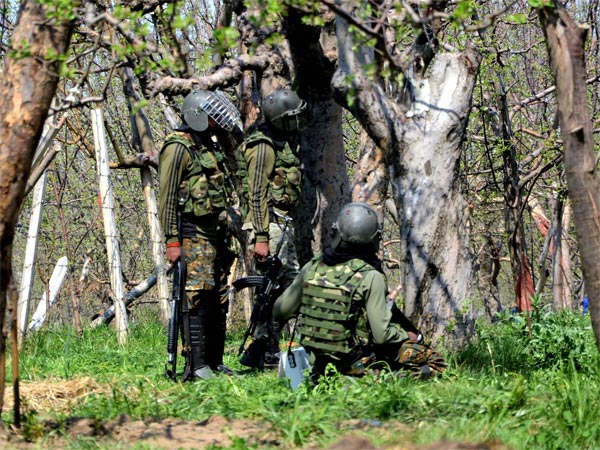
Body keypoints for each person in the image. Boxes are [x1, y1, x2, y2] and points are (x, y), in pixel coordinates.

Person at [272, 202, 447, 384]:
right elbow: (381, 335)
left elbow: (279, 311)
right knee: (434, 362)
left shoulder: (313, 267)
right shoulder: (371, 276)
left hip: (318, 368)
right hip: (356, 367)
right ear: (374, 240)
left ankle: (329, 381)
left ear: (336, 233)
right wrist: (406, 335)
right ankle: (376, 382)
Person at [159, 88, 241, 380]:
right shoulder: (177, 147)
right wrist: (171, 240)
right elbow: (167, 197)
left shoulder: (208, 145)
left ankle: (215, 362)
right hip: (192, 232)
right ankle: (196, 365)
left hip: (216, 232)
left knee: (219, 296)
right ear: (197, 117)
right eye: (212, 117)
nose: (216, 123)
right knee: (196, 297)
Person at [236, 87, 308, 369]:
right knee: (281, 288)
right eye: (291, 118)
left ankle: (264, 348)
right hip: (269, 225)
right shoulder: (263, 145)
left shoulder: (282, 141)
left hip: (282, 223)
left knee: (278, 290)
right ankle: (263, 349)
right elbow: (256, 192)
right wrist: (262, 238)